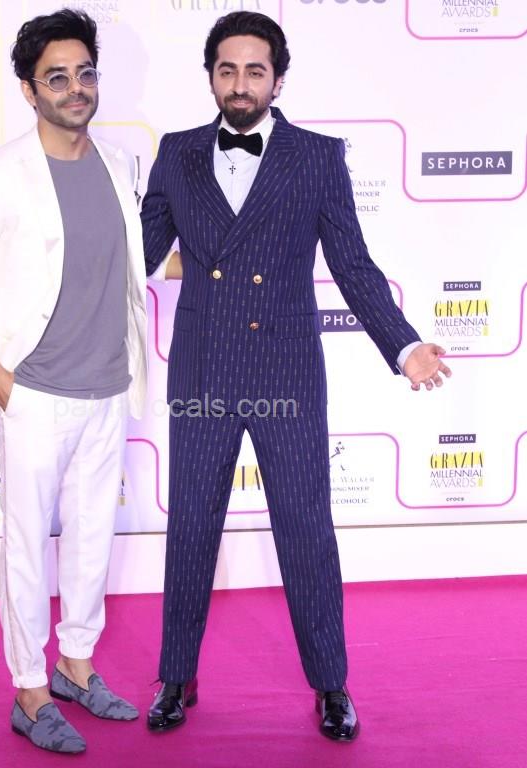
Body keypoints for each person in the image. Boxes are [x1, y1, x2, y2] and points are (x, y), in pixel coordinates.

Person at [141, 11, 451, 742]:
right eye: (227, 69)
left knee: (307, 530)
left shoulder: (316, 157)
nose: (240, 83)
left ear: (277, 80)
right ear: (210, 76)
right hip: (203, 370)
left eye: (255, 70)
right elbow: (136, 255)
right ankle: (176, 676)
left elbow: (351, 264)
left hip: (286, 370)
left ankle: (331, 684)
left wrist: (404, 345)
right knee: (191, 527)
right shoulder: (177, 152)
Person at [0, 8, 147, 755]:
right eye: (57, 77)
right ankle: (29, 690)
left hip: (109, 389)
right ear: (29, 90)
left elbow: (133, 263)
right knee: (28, 548)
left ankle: (75, 666)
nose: (75, 88)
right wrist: (1, 381)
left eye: (85, 73)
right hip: (34, 394)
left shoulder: (120, 165)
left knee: (92, 539)